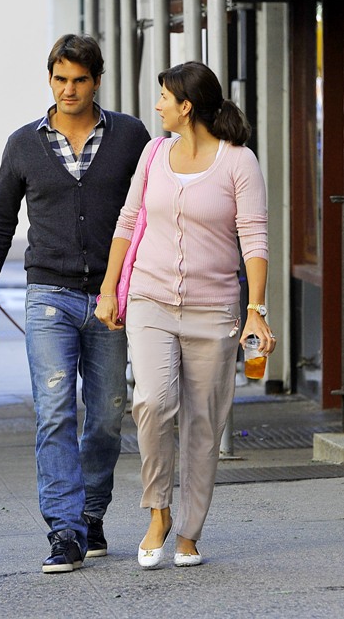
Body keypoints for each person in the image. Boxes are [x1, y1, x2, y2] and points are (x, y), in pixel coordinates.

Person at [0, 34, 150, 573]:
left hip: (111, 299)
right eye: (59, 79)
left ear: (97, 81)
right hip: (48, 294)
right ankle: (64, 530)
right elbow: (0, 222)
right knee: (54, 412)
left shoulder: (130, 136)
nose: (68, 90)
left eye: (79, 80)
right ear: (50, 79)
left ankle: (92, 513)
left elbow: (151, 211)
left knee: (107, 416)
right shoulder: (24, 143)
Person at [95, 61, 276, 568]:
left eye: (163, 98)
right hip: (151, 301)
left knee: (204, 423)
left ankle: (189, 531)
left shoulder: (238, 162)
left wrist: (256, 311)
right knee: (151, 403)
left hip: (213, 308)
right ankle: (158, 509)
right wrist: (109, 289)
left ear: (186, 105)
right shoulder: (154, 153)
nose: (157, 106)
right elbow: (128, 221)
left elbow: (254, 239)